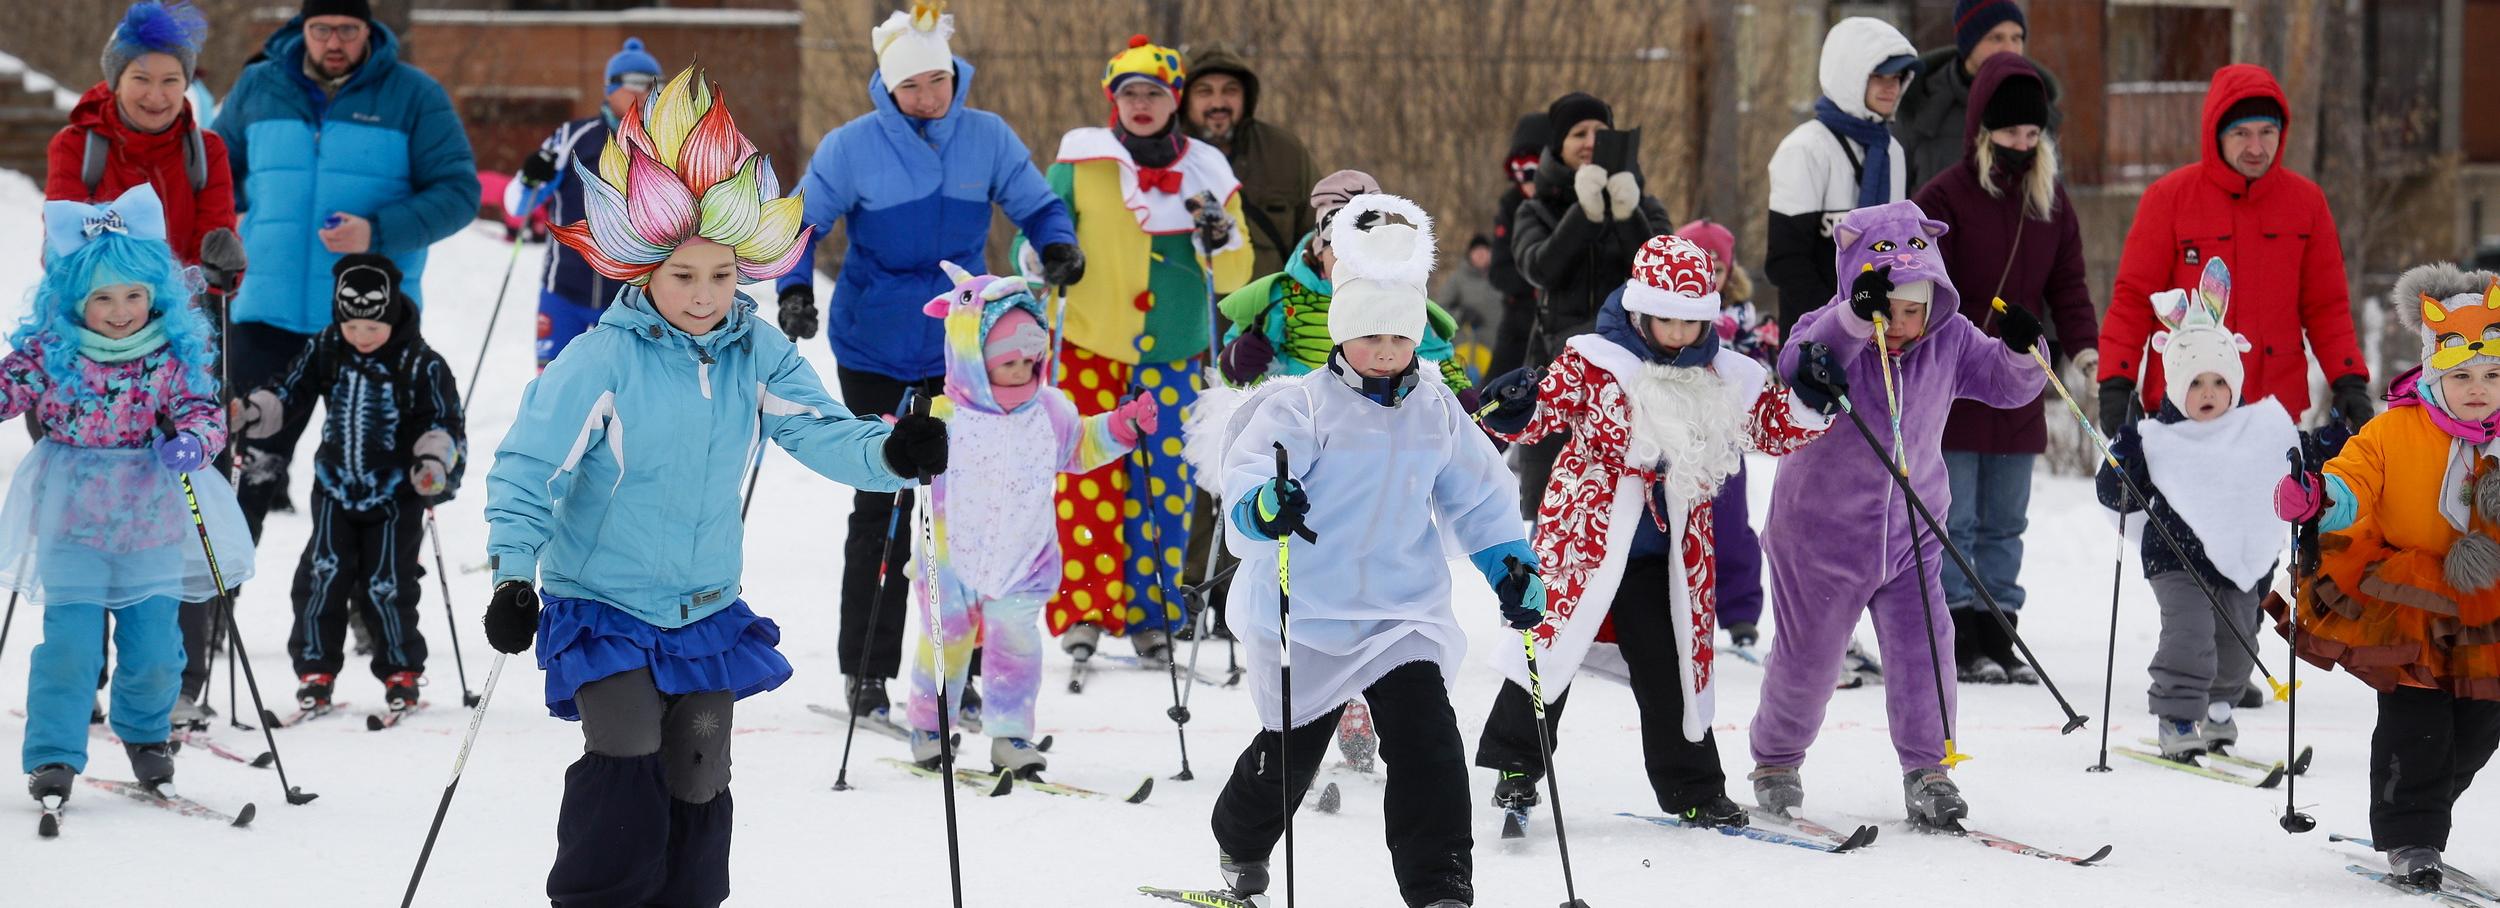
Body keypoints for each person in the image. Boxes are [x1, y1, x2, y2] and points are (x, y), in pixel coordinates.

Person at [480, 66, 947, 907]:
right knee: (623, 757)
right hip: (604, 603)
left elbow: (817, 427)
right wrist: (515, 575)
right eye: (684, 276)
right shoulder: (602, 358)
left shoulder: (752, 350)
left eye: (722, 277)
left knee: (700, 769)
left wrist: (891, 453)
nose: (704, 296)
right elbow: (526, 468)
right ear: (645, 273)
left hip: (703, 607)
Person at [1204, 193, 1538, 908]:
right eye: (1370, 336)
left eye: (1401, 337)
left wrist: (1509, 560)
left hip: (1400, 610)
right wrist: (1267, 507)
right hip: (1311, 613)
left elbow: (1478, 495)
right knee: (1288, 760)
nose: (1387, 351)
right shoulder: (1301, 405)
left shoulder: (1436, 408)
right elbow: (1250, 478)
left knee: (1429, 747)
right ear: (1342, 333)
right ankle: (1239, 839)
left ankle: (1440, 884)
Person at [775, 5, 1079, 721]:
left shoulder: (987, 137)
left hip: (963, 349)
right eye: (912, 85)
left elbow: (1035, 202)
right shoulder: (852, 147)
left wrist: (1057, 241)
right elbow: (801, 222)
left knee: (969, 509)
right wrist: (792, 292)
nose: (928, 96)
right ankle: (869, 670)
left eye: (938, 81)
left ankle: (960, 667)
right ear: (887, 85)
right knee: (881, 501)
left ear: (954, 76)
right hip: (874, 343)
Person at [1472, 234, 1836, 829]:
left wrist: (1811, 400)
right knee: (1550, 650)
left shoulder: (1724, 374)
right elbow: (1545, 409)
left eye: (1690, 323)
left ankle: (1693, 787)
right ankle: (1516, 767)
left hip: (1665, 553)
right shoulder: (1596, 360)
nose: (1676, 335)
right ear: (1640, 310)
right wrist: (1516, 403)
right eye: (1664, 320)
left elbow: (1771, 428)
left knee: (1671, 668)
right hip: (1583, 539)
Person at [1748, 199, 2045, 827]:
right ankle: (1776, 759)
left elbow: (2009, 385)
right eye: (1892, 310)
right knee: (1811, 661)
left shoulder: (1948, 340)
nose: (1906, 324)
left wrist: (2024, 349)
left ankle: (1928, 770)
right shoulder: (1829, 328)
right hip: (1819, 534)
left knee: (1926, 650)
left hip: (1913, 531)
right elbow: (1794, 365)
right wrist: (1853, 322)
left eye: (1917, 309)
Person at [9, 186, 253, 807]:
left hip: (151, 516)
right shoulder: (52, 351)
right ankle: (54, 755)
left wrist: (197, 442)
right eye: (104, 299)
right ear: (75, 300)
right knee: (69, 646)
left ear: (155, 297)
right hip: (73, 518)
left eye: (134, 297)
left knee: (153, 647)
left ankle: (147, 735)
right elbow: (8, 386)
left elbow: (204, 410)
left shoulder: (171, 355)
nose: (121, 312)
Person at [48, 1, 247, 728]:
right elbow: (63, 245)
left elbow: (217, 230)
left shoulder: (207, 150)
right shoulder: (80, 145)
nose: (158, 94)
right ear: (116, 79)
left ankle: (181, 679)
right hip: (93, 353)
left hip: (181, 347)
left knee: (181, 502)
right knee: (89, 509)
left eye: (172, 80)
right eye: (142, 78)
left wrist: (224, 255)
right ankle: (88, 672)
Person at [2271, 263, 2500, 888]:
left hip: (2488, 605)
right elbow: (2355, 477)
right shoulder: (2397, 429)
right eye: (2462, 376)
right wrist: (2319, 496)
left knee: (2479, 724)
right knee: (2418, 718)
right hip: (2413, 597)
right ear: (2433, 372)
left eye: (2492, 374)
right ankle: (2412, 833)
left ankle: (2421, 802)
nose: (2478, 388)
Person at [213, 0, 480, 533]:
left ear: (369, 31)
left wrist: (376, 232)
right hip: (266, 315)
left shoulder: (413, 95)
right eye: (321, 29)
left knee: (374, 482)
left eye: (347, 30)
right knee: (239, 478)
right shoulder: (259, 87)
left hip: (371, 326)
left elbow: (458, 193)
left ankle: (372, 605)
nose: (334, 42)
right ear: (302, 29)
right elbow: (216, 176)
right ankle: (217, 608)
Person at [1029, 34, 1252, 666]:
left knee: (1166, 485)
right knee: (1087, 480)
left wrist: (1222, 237)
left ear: (1173, 98)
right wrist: (1049, 260)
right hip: (1091, 344)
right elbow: (1038, 236)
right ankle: (1087, 612)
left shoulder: (1207, 169)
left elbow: (1237, 274)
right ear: (1114, 100)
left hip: (1176, 353)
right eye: (1130, 94)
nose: (1142, 104)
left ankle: (1153, 613)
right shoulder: (1080, 161)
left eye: (1154, 93)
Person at [903, 263, 1156, 773]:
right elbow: (905, 468)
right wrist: (900, 444)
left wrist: (1122, 427)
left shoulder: (1050, 410)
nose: (1022, 370)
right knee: (945, 645)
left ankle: (1011, 737)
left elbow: (1080, 447)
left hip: (1024, 559)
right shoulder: (944, 416)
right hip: (951, 564)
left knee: (1016, 654)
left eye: (1030, 359)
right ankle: (931, 728)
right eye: (1008, 362)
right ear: (974, 358)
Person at [1910, 52, 2097, 684]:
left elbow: (2069, 284)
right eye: (2013, 131)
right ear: (1984, 130)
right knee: (1956, 516)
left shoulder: (2051, 203)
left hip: (2020, 380)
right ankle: (1958, 630)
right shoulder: (1944, 196)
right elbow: (1920, 280)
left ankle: (1999, 627)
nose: (2024, 143)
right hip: (1957, 383)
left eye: (2033, 133)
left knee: (2006, 520)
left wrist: (2085, 345)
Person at [231, 254, 463, 716]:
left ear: (392, 316)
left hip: (397, 493)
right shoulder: (328, 347)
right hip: (335, 488)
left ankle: (401, 669)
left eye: (371, 329)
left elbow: (443, 421)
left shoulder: (422, 363)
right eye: (352, 327)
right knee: (324, 574)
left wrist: (434, 463)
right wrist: (253, 412)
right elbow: (288, 392)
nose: (361, 338)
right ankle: (315, 669)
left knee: (387, 582)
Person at [2097, 63, 2371, 433]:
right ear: (2217, 135)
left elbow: (2327, 307)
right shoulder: (2168, 200)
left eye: (2267, 132)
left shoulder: (2306, 203)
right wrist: (2117, 382)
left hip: (2273, 413)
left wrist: (2348, 380)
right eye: (2241, 133)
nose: (2256, 147)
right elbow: (2134, 299)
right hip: (2186, 410)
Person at [2097, 259, 2290, 759]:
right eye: (2195, 383)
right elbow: (2114, 493)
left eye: (2219, 382)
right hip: (2175, 557)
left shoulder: (2252, 432)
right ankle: (2178, 716)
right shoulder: (2157, 438)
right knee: (2189, 634)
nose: (2208, 394)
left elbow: (2288, 466)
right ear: (2176, 387)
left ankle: (2220, 709)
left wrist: (2323, 453)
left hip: (2238, 559)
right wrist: (2124, 460)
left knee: (2237, 640)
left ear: (2236, 385)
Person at [1509, 91, 1672, 519]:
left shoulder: (1645, 205)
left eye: (1600, 131)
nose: (1590, 141)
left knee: (1633, 511)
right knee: (1555, 514)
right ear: (1558, 145)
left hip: (1638, 379)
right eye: (1578, 133)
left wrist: (1627, 211)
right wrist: (1583, 213)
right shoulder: (1534, 210)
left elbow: (1664, 273)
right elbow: (1539, 268)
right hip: (1561, 375)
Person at [507, 37, 661, 369]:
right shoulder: (574, 137)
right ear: (610, 88)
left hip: (630, 301)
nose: (644, 93)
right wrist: (529, 176)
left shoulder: (666, 147)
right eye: (634, 83)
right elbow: (517, 205)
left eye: (653, 85)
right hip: (563, 291)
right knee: (554, 391)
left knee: (622, 399)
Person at [1765, 17, 1918, 338]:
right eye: (1878, 76)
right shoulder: (1805, 148)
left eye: (1898, 76)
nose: (1891, 87)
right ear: (1850, 76)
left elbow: (1899, 249)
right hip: (1815, 333)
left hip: (1883, 331)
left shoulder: (1893, 152)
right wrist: (1842, 321)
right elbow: (1787, 261)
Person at [1678, 219, 1774, 650]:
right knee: (1671, 526)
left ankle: (1739, 610)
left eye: (1715, 269)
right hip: (1672, 440)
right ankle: (1670, 607)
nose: (1707, 278)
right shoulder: (1667, 319)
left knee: (1730, 524)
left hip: (1723, 441)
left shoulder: (1745, 323)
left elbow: (1762, 376)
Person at [1182, 43, 1319, 278]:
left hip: (1272, 310)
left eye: (1230, 90)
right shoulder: (1165, 159)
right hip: (1191, 311)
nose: (1218, 103)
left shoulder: (1284, 152)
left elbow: (1319, 233)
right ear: (1184, 100)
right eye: (1204, 92)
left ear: (1246, 97)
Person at [1894, 0, 2059, 191]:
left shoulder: (2038, 104)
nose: (2010, 49)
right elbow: (1894, 199)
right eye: (1996, 38)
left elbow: (2052, 198)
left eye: (2017, 38)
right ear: (1969, 43)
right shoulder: (1920, 103)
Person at [1486, 112, 1549, 382]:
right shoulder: (1512, 204)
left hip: (1561, 323)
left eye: (1534, 172)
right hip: (1519, 319)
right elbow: (1499, 270)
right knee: (1496, 390)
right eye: (1519, 173)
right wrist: (1535, 281)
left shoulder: (1570, 204)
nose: (1527, 183)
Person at [1435, 234, 1505, 358]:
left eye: (1485, 250)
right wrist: (1461, 315)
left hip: (1498, 350)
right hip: (1467, 351)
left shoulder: (1501, 278)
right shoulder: (1458, 279)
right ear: (1469, 254)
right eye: (1477, 251)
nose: (1481, 254)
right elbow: (1439, 311)